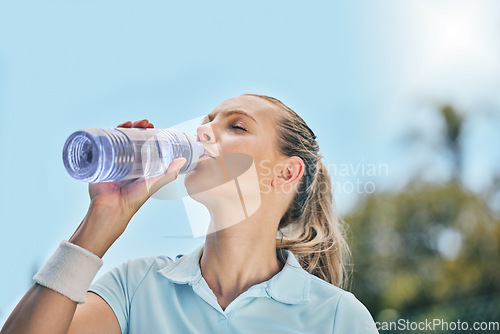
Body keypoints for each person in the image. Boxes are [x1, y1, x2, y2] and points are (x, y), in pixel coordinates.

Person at [1, 94, 379, 334]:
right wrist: (102, 218)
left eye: (236, 126)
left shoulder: (337, 318)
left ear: (286, 173)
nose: (202, 133)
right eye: (205, 123)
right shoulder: (137, 287)